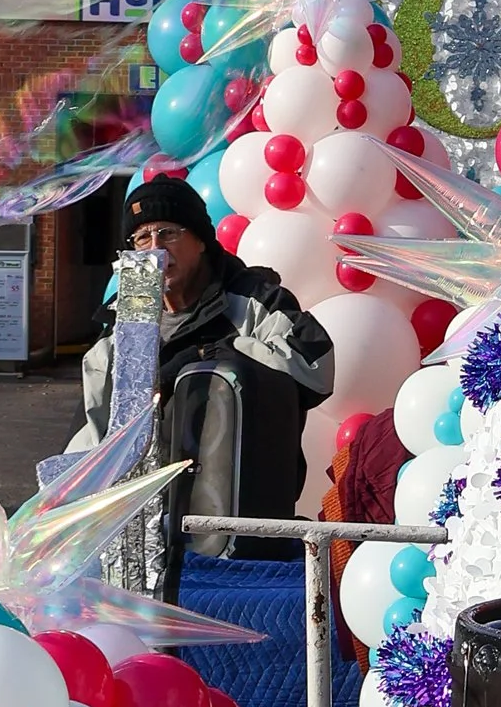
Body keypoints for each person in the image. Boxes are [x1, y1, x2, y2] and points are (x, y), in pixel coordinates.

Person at [77, 172, 336, 582]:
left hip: (235, 527)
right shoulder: (122, 321)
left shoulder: (253, 299)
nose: (156, 249)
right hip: (135, 537)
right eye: (142, 238)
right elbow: (93, 428)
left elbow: (317, 367)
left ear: (201, 239)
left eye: (168, 232)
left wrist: (215, 357)